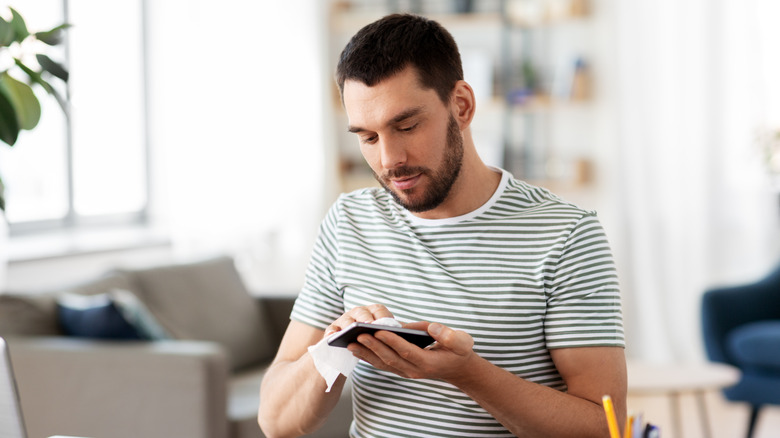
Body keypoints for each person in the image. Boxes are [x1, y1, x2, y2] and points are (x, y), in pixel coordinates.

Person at [259, 13, 626, 438]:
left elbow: (605, 428)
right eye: (368, 137)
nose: (389, 159)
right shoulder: (349, 222)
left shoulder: (567, 234)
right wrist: (333, 349)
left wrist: (468, 374)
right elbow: (275, 421)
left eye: (407, 125)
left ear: (463, 105)